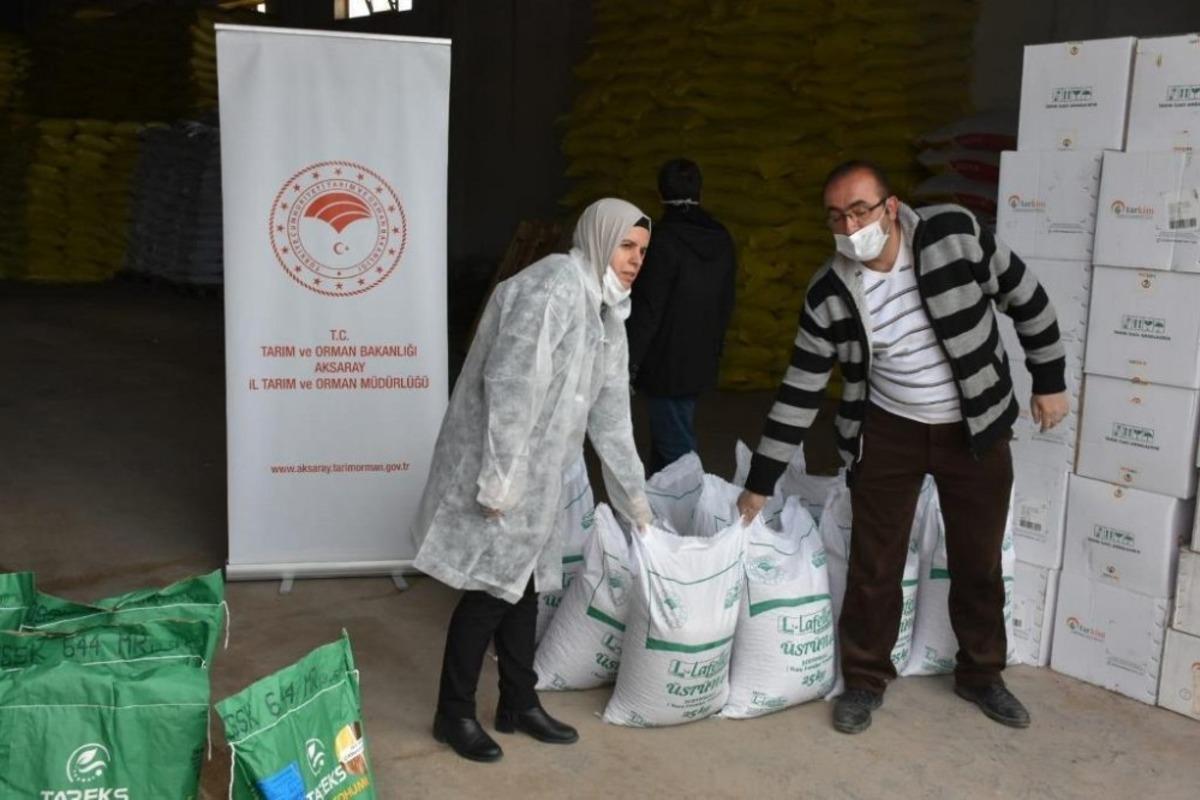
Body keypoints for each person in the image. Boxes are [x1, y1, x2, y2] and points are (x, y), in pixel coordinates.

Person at [736, 161, 1070, 734]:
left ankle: (982, 674)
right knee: (874, 566)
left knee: (978, 560)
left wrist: (1050, 379)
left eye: (860, 210)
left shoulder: (953, 236)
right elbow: (800, 390)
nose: (849, 225)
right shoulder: (831, 292)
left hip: (976, 425)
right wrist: (760, 483)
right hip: (887, 433)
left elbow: (1027, 297)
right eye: (836, 216)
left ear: (891, 208)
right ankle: (864, 681)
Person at [411, 198, 654, 763]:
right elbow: (511, 388)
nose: (635, 259)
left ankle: (517, 702)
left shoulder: (607, 312)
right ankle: (454, 714)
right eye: (626, 245)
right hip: (504, 464)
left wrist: (634, 503)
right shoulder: (551, 289)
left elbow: (612, 414)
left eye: (642, 250)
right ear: (598, 238)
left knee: (522, 588)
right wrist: (500, 480)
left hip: (544, 472)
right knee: (490, 592)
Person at [626, 158, 737, 475]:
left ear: (660, 193)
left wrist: (629, 361)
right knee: (666, 441)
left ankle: (692, 511)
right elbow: (726, 301)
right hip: (702, 355)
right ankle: (659, 506)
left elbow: (649, 308)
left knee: (677, 452)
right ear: (700, 191)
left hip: (666, 362)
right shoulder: (721, 238)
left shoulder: (662, 241)